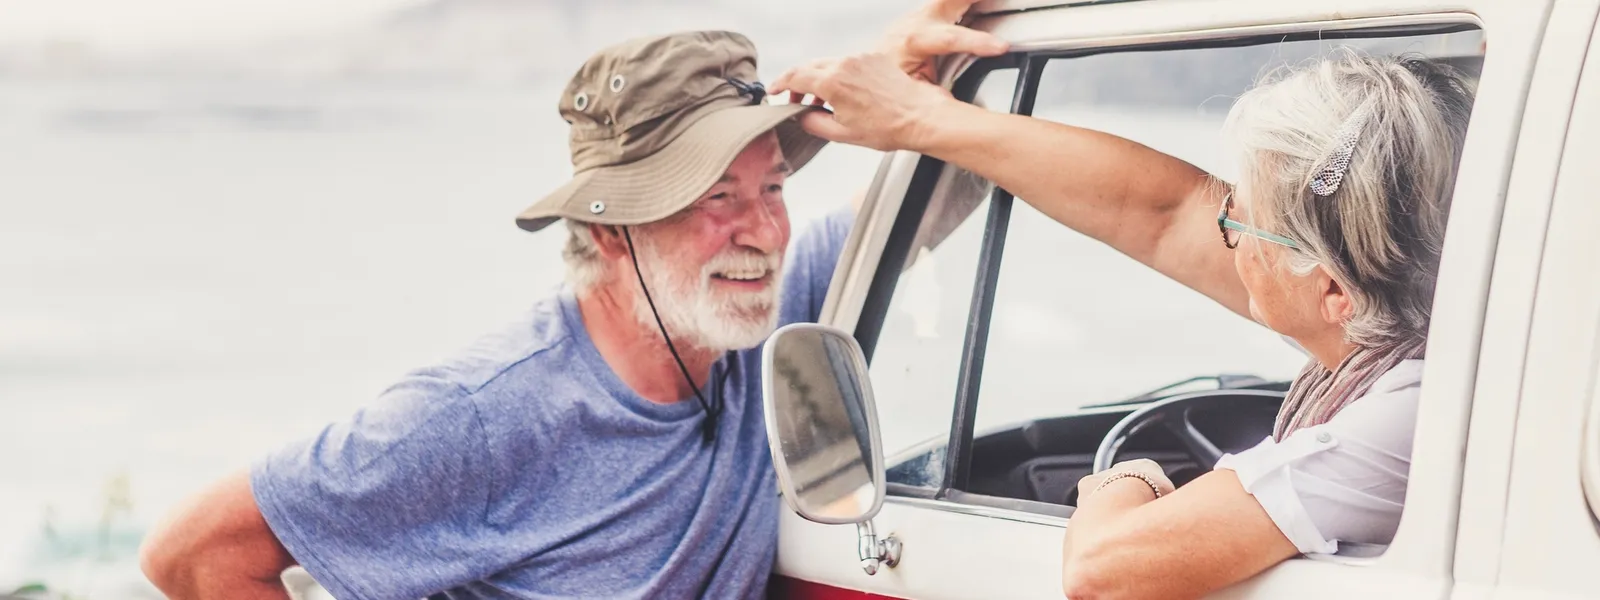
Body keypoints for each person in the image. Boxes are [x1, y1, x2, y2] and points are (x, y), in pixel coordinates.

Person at [137, 6, 1009, 598]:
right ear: (607, 233)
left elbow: (944, 189)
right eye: (715, 199)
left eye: (771, 189)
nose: (763, 233)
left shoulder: (763, 317)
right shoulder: (483, 414)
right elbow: (193, 554)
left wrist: (918, 71)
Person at [772, 10, 1474, 599]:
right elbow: (1165, 212)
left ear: (1332, 292)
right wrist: (922, 118)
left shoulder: (1401, 421)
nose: (1224, 237)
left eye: (1238, 221)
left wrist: (1126, 474)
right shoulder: (1420, 310)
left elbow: (1103, 567)